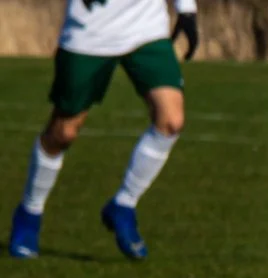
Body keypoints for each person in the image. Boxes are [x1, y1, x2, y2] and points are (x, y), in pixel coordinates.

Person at [10, 0, 198, 259]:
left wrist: (186, 9)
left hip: (146, 30)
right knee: (63, 133)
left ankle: (124, 204)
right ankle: (29, 213)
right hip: (90, 33)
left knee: (171, 121)